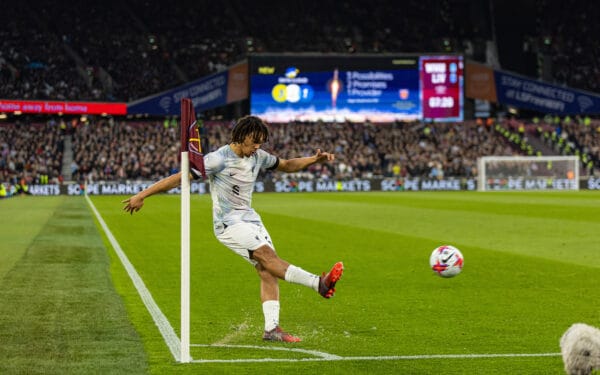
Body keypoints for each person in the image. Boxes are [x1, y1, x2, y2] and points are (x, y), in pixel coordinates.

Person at [122, 115, 344, 343]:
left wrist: (313, 160)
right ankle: (319, 283)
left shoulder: (258, 156)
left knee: (267, 270)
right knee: (268, 257)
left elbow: (286, 165)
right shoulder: (217, 159)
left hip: (251, 219)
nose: (257, 147)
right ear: (242, 137)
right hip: (228, 224)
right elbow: (180, 178)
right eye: (254, 142)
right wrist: (142, 195)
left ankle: (272, 329)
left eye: (260, 143)